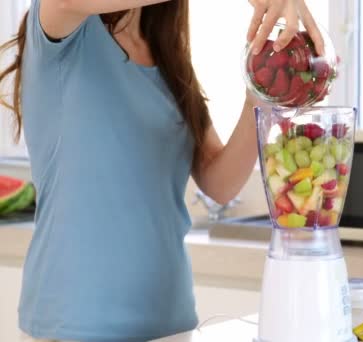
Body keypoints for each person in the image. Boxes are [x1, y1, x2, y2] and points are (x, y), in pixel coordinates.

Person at [0, 0, 323, 341]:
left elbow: (220, 183)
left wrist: (259, 93)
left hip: (169, 320)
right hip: (74, 320)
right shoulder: (63, 18)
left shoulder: (169, 60)